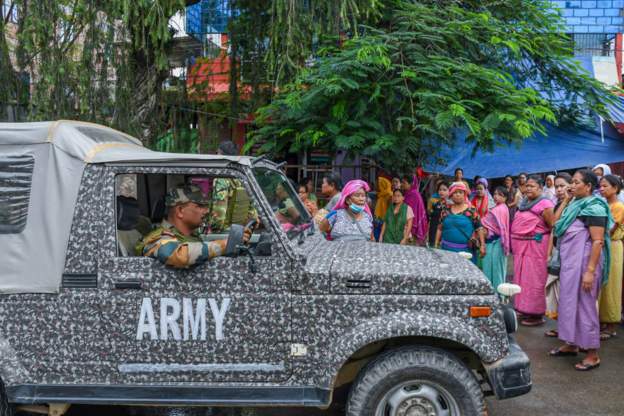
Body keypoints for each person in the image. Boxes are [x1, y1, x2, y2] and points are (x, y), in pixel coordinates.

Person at [549, 170, 613, 371]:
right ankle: (571, 343)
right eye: (572, 182)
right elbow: (554, 223)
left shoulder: (595, 207)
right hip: (570, 264)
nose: (571, 185)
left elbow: (597, 241)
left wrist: (590, 271)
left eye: (576, 182)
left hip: (586, 264)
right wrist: (567, 200)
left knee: (585, 306)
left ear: (588, 186)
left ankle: (592, 353)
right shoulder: (574, 204)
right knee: (568, 303)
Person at [139, 185, 251, 268]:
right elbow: (179, 255)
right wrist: (223, 245)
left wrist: (235, 239)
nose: (206, 211)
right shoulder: (159, 237)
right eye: (200, 206)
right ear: (180, 211)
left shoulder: (190, 236)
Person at [511, 175, 555, 326]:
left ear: (540, 188)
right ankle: (524, 309)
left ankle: (536, 314)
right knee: (522, 279)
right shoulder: (524, 202)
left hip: (536, 248)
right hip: (521, 248)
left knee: (534, 280)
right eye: (527, 186)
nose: (528, 188)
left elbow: (552, 227)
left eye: (532, 186)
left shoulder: (545, 204)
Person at [544, 172, 573, 337]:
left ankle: (567, 328)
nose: (559, 190)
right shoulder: (559, 205)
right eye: (557, 187)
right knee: (556, 291)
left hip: (570, 253)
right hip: (557, 252)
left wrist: (568, 201)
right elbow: (554, 227)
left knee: (566, 292)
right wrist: (549, 253)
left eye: (562, 186)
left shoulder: (575, 205)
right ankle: (561, 325)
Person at [210, 141, 257, 232]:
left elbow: (219, 215)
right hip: (241, 231)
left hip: (224, 234)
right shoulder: (243, 176)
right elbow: (253, 213)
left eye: (217, 153)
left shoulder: (221, 179)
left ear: (221, 155)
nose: (216, 155)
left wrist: (214, 230)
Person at [598, 175, 624, 340]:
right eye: (600, 186)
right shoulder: (603, 205)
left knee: (612, 285)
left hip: (612, 247)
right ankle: (601, 319)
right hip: (601, 245)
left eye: (605, 186)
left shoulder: (618, 206)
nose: (601, 189)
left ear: (615, 188)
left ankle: (612, 323)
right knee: (602, 284)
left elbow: (610, 229)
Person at [435, 182, 485, 262]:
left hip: (465, 253)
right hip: (446, 250)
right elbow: (440, 228)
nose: (457, 194)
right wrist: (436, 243)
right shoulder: (445, 210)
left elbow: (479, 228)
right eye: (455, 192)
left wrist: (482, 245)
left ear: (464, 194)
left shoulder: (471, 210)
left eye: (460, 192)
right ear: (451, 195)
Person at [480, 187, 511, 291]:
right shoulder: (502, 207)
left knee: (493, 270)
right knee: (497, 269)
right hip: (497, 242)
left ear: (505, 198)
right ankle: (498, 295)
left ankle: (494, 295)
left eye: (500, 195)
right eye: (495, 194)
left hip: (496, 242)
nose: (496, 196)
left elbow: (484, 223)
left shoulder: (498, 209)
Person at [401, 174, 428, 245]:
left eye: (404, 183)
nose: (402, 184)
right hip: (405, 226)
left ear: (411, 184)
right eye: (402, 182)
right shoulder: (407, 194)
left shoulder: (414, 195)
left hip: (412, 228)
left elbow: (414, 214)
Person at [427, 181, 449, 247]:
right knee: (432, 247)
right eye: (440, 190)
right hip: (433, 228)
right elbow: (429, 213)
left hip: (445, 230)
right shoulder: (433, 201)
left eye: (444, 190)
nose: (441, 192)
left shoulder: (451, 204)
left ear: (449, 191)